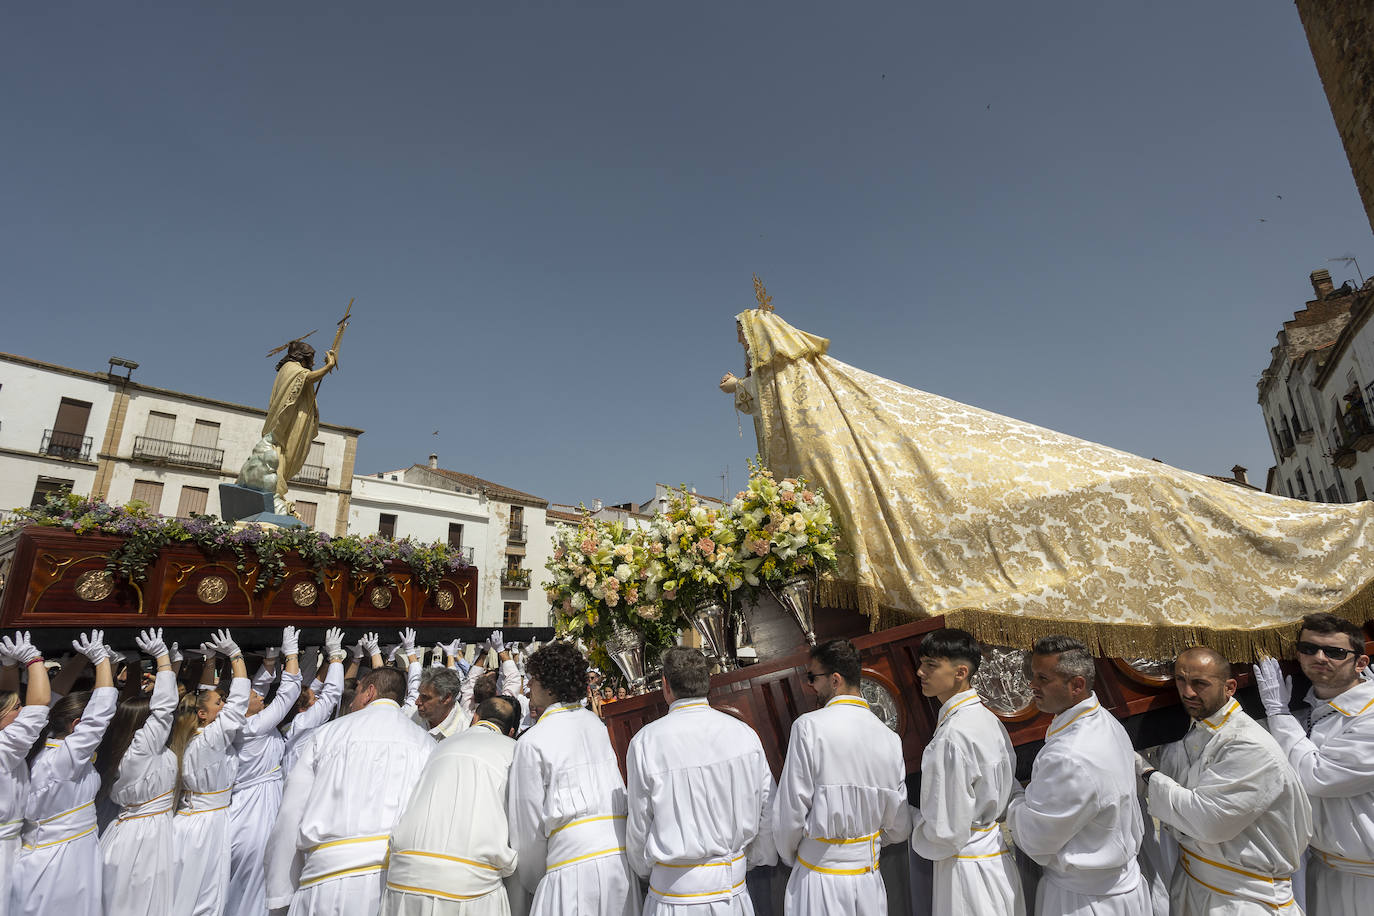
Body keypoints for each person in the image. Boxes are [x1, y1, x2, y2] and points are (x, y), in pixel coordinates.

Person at [1141, 647, 1312, 914]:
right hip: (1194, 884)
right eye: (1180, 680)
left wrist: (1146, 774)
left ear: (1229, 687)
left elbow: (1208, 822)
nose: (1187, 692)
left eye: (1200, 683)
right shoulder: (1190, 730)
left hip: (1245, 900)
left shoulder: (1249, 744)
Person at [265, 665, 435, 916]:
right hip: (395, 883)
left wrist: (279, 894)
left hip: (326, 880)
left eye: (356, 693)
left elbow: (291, 812)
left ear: (369, 692)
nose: (353, 702)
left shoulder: (328, 734)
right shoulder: (426, 743)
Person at [1005, 635, 1151, 915]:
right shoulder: (1105, 720)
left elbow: (1036, 838)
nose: (1032, 685)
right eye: (1032, 676)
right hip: (1122, 889)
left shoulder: (1069, 755)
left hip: (1083, 902)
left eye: (1043, 679)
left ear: (1077, 685)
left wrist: (1012, 795)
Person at [625, 646, 776, 914]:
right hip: (731, 893)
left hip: (674, 897)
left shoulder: (645, 742)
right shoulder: (744, 734)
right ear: (707, 683)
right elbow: (768, 807)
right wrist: (745, 859)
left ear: (665, 685)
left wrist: (646, 868)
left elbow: (639, 825)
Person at [772, 638, 909, 915]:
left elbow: (791, 811)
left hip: (820, 877)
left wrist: (791, 854)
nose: (811, 685)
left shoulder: (809, 727)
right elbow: (899, 825)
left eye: (813, 677)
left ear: (835, 680)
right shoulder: (890, 738)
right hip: (868, 879)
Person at [507, 641, 639, 916]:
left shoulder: (531, 742)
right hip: (620, 863)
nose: (528, 686)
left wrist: (537, 880)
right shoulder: (595, 725)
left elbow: (528, 825)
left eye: (533, 680)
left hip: (572, 871)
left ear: (550, 686)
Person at [1254, 614, 1374, 911]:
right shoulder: (1312, 711)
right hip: (1326, 868)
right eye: (1309, 649)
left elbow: (1315, 776)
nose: (1320, 658)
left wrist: (1278, 714)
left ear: (1360, 663)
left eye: (1335, 652)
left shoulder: (1370, 716)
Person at [909, 628, 1024, 916]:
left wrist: (911, 820)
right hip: (997, 860)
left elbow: (945, 832)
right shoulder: (989, 719)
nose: (920, 672)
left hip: (965, 869)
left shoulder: (952, 737)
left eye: (931, 665)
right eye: (922, 662)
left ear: (961, 672)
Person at [379, 695, 524, 915]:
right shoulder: (514, 751)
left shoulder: (441, 745)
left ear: (474, 717)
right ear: (510, 731)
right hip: (469, 886)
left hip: (404, 877)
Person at [9, 630, 116, 916]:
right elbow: (100, 714)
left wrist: (82, 658)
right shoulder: (63, 760)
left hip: (59, 852)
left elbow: (53, 697)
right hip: (61, 862)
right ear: (75, 725)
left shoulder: (41, 744)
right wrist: (102, 661)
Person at [96, 628, 177, 916]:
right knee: (141, 903)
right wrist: (163, 661)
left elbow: (131, 706)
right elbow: (164, 709)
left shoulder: (121, 747)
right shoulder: (143, 749)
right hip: (144, 840)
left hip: (131, 834)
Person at [171, 628, 250, 916]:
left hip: (194, 820)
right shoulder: (210, 740)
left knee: (188, 890)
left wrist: (211, 662)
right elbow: (239, 702)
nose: (225, 704)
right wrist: (236, 656)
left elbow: (205, 697)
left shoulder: (191, 736)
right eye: (220, 703)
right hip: (206, 825)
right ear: (202, 714)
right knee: (203, 893)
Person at [227, 626, 303, 916]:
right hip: (258, 810)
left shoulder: (238, 722)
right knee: (260, 869)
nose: (261, 696)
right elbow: (288, 693)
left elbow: (253, 694)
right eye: (254, 697)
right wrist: (291, 653)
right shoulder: (256, 727)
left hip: (243, 804)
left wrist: (269, 663)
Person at [239, 338, 338, 511]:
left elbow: (307, 378)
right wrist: (328, 367)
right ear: (302, 358)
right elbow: (307, 377)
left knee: (288, 455)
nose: (313, 362)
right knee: (285, 453)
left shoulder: (294, 369)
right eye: (311, 358)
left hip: (294, 418)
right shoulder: (291, 368)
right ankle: (274, 492)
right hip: (288, 422)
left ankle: (276, 491)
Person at [0, 633, 50, 909]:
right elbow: (39, 704)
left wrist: (9, 667)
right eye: (17, 709)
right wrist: (33, 659)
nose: (22, 710)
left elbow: (8, 702)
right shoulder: (5, 747)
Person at [281, 628, 347, 774]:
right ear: (303, 709)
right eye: (315, 698)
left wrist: (328, 659)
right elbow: (331, 694)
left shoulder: (293, 722)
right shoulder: (304, 723)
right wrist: (335, 655)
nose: (318, 698)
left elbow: (314, 688)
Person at [413, 666, 467, 741]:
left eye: (425, 697)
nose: (417, 702)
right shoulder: (411, 715)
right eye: (419, 695)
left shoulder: (465, 732)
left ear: (446, 698)